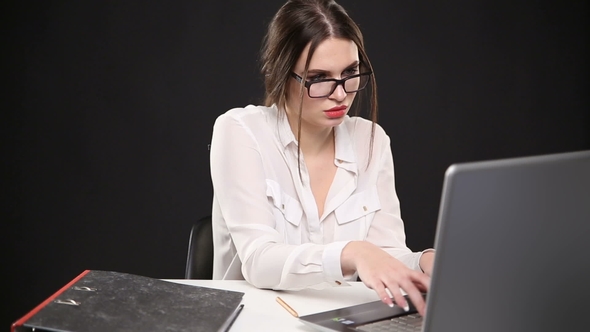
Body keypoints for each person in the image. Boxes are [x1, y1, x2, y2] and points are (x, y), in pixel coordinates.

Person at [209, 0, 435, 316]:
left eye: (350, 73)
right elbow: (259, 261)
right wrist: (352, 252)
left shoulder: (371, 140)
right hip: (256, 319)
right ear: (280, 73)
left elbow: (384, 255)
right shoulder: (240, 131)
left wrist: (423, 261)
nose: (340, 94)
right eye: (319, 78)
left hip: (338, 318)